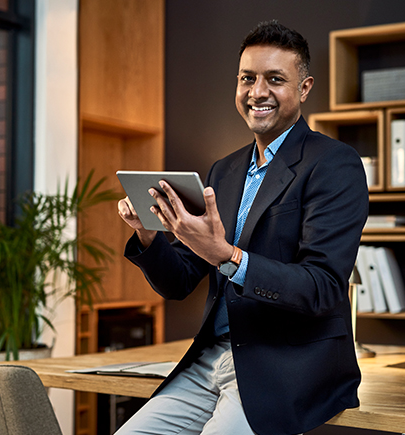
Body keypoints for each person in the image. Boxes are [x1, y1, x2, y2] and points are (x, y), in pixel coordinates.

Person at [117, 20, 368, 435]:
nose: (257, 92)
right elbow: (179, 281)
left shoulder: (334, 164)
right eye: (247, 78)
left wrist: (228, 256)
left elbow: (322, 287)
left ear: (304, 89)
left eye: (275, 79)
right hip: (210, 360)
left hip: (285, 364)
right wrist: (148, 234)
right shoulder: (225, 169)